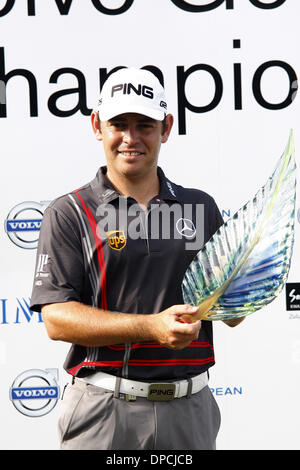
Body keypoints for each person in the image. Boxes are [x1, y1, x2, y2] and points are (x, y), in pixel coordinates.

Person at [30, 67, 244, 450]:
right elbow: (56, 318)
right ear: (97, 126)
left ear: (166, 128)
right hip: (104, 410)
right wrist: (151, 327)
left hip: (190, 408)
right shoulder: (70, 212)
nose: (131, 138)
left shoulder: (201, 207)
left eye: (145, 125)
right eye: (119, 124)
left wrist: (254, 281)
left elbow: (232, 313)